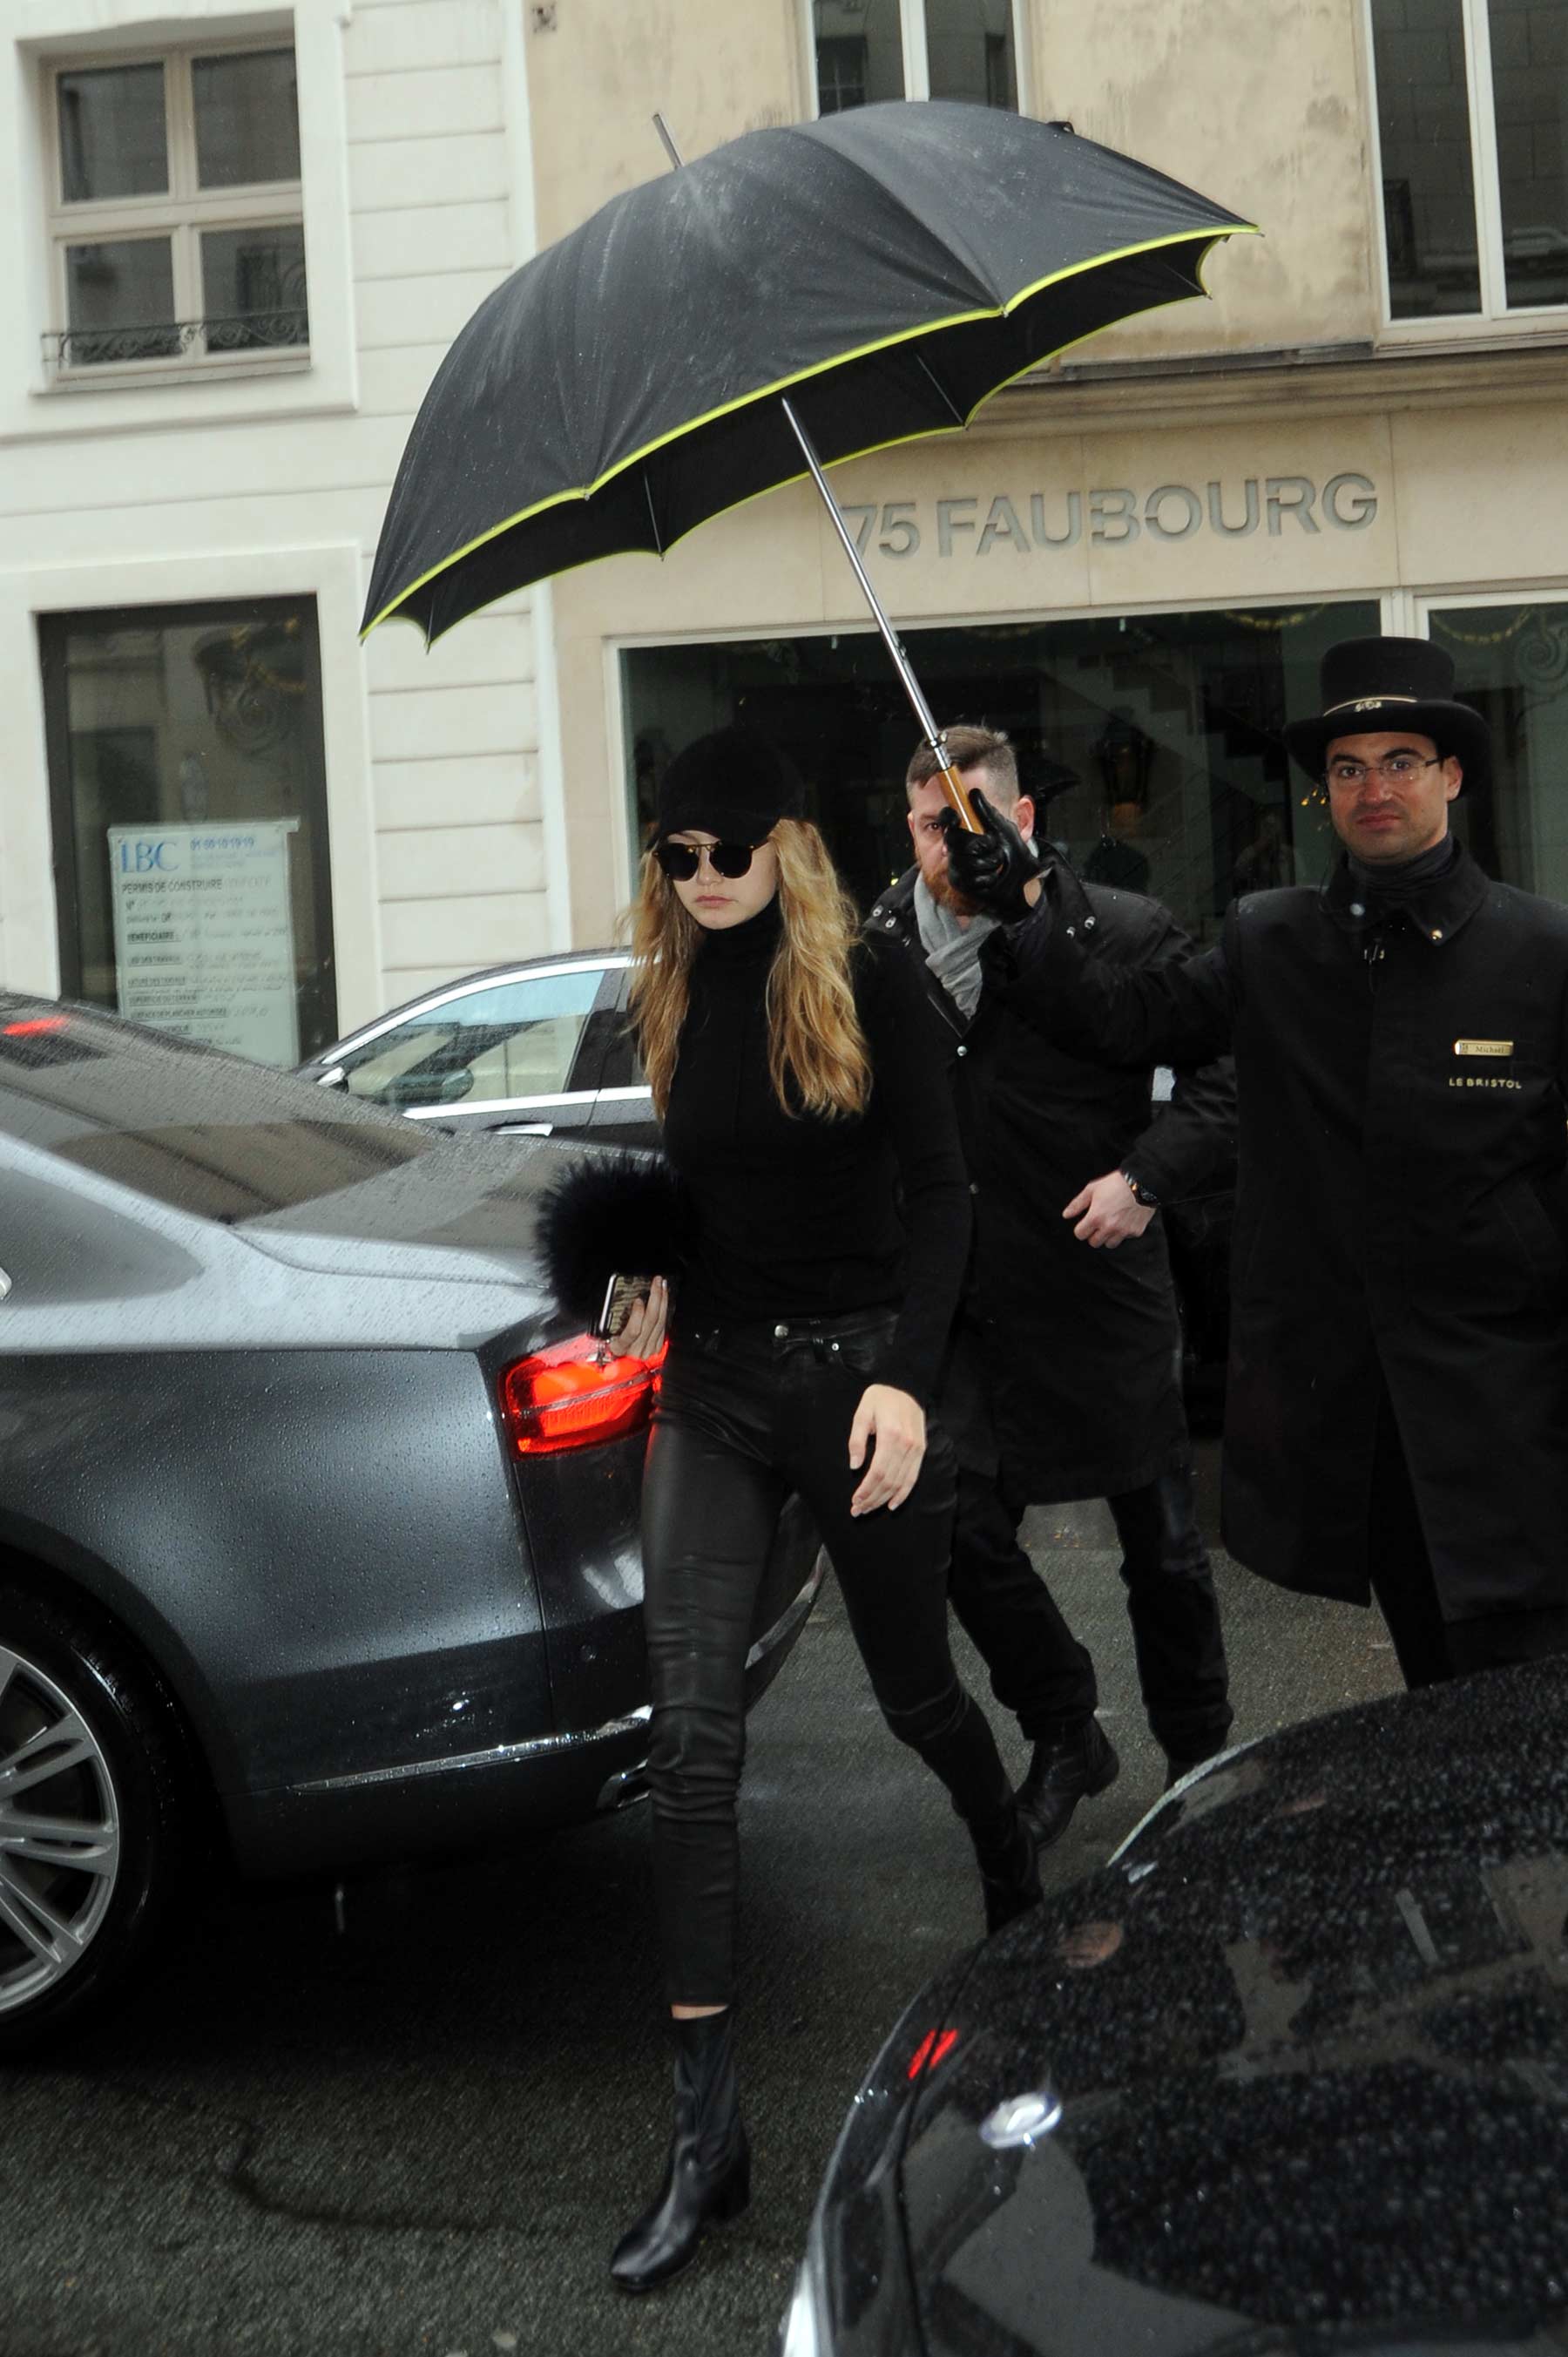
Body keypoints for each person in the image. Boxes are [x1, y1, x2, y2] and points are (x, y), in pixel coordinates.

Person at [605, 726, 1034, 2295]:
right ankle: (705, 2137)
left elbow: (945, 1197)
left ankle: (1014, 1883)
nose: (704, 878)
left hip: (858, 1381)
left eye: (727, 849)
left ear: (784, 840)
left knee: (920, 1695)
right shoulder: (665, 983)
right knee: (691, 1739)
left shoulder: (867, 981)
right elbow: (689, 1182)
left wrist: (910, 1380)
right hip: (711, 1392)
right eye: (677, 857)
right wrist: (643, 1265)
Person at [943, 635, 1568, 1688]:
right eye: (1348, 767)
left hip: (1515, 1410)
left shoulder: (1540, 952)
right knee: (1436, 1700)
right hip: (1369, 1431)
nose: (1375, 787)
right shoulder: (1273, 940)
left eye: (1402, 759)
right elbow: (1118, 1016)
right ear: (1325, 792)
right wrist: (1027, 904)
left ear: (1453, 775)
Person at [870, 726, 1235, 1843]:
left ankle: (1200, 1767)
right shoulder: (877, 952)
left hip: (1099, 1280)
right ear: (911, 831)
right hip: (966, 1298)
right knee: (953, 1527)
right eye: (936, 825)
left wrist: (1146, 1176)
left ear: (1021, 822)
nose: (952, 845)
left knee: (1164, 1549)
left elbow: (1227, 1074)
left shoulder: (1116, 929)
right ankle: (1065, 1720)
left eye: (975, 821)